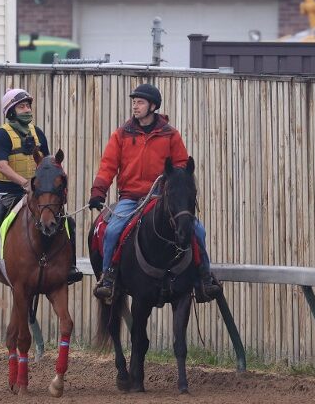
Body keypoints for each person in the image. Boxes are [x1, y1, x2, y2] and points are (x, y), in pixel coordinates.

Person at [88, 83, 221, 303]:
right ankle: (108, 278)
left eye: (140, 102)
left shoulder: (170, 135)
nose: (135, 106)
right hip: (131, 198)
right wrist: (98, 191)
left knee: (198, 231)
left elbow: (181, 167)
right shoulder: (121, 134)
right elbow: (108, 165)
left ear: (153, 106)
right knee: (112, 231)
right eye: (134, 102)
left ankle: (205, 279)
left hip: (161, 197)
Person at [0, 88, 83, 284]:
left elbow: (48, 163)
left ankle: (71, 265)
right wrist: (24, 182)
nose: (27, 110)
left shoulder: (38, 133)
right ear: (11, 111)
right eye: (22, 107)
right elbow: (1, 164)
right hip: (6, 191)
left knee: (68, 222)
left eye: (28, 106)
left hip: (36, 193)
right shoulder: (2, 135)